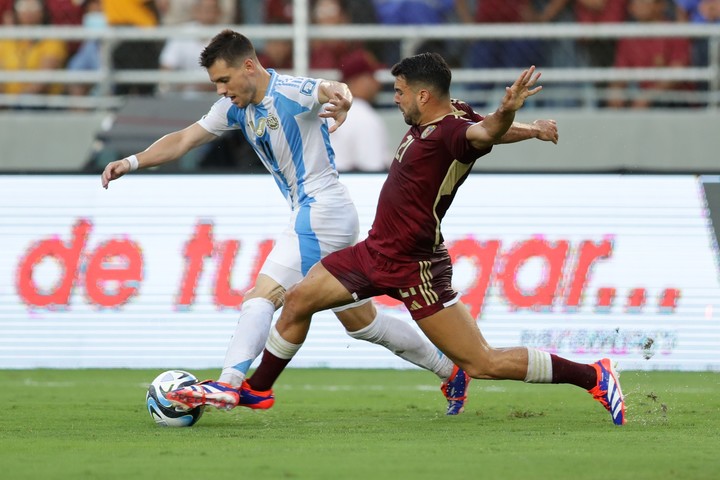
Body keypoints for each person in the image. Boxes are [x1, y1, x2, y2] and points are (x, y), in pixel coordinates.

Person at [212, 52, 626, 426]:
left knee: (482, 361)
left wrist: (505, 112)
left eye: (400, 91)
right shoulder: (455, 115)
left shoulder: (450, 134)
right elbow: (489, 130)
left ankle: (593, 375)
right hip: (377, 250)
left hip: (417, 265)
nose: (395, 98)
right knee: (300, 298)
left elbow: (484, 133)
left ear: (424, 96)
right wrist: (532, 128)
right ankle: (258, 389)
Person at [101, 29, 471, 416]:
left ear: (248, 66)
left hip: (320, 213)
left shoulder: (291, 92)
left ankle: (229, 385)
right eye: (216, 83)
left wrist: (342, 101)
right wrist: (132, 161)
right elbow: (183, 140)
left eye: (224, 80)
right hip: (322, 213)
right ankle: (451, 372)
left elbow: (334, 88)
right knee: (361, 321)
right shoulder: (234, 108)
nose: (220, 90)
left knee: (263, 296)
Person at [608, 0, 692, 109]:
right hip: (640, 96)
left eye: (644, 2)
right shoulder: (628, 37)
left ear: (660, 6)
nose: (637, 6)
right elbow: (621, 70)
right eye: (634, 2)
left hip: (673, 100)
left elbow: (677, 72)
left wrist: (649, 96)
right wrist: (616, 90)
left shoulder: (674, 32)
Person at [328, 49, 391, 172]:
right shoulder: (364, 117)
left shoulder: (326, 110)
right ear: (358, 80)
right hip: (351, 185)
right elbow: (373, 168)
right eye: (372, 76)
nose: (377, 83)